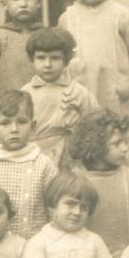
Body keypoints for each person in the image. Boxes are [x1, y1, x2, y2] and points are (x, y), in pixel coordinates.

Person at [0, 90, 58, 240]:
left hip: (35, 244)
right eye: (5, 123)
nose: (14, 129)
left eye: (22, 122)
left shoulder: (45, 165)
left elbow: (55, 210)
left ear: (33, 126)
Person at [69, 109, 129, 258]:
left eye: (125, 141)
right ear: (95, 146)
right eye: (117, 143)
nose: (125, 148)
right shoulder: (75, 180)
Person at [21, 26, 96, 169]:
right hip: (35, 157)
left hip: (70, 158)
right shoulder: (25, 94)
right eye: (41, 58)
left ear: (66, 61)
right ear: (32, 60)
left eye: (55, 58)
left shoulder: (79, 92)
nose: (48, 65)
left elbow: (95, 126)